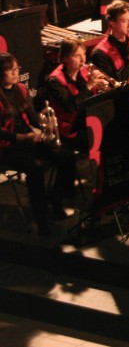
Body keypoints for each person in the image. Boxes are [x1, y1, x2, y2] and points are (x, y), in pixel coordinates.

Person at [0, 53, 78, 235]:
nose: (15, 72)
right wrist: (19, 137)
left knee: (67, 156)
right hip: (6, 146)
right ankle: (42, 220)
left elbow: (32, 118)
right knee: (35, 169)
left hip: (26, 140)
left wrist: (44, 125)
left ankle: (56, 197)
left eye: (16, 68)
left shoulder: (21, 89)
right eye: (10, 69)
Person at [43, 38, 108, 151]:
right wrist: (89, 86)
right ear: (65, 58)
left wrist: (102, 86)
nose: (83, 59)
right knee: (101, 138)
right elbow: (71, 107)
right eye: (77, 56)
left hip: (89, 119)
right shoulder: (55, 81)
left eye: (83, 54)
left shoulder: (85, 70)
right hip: (70, 129)